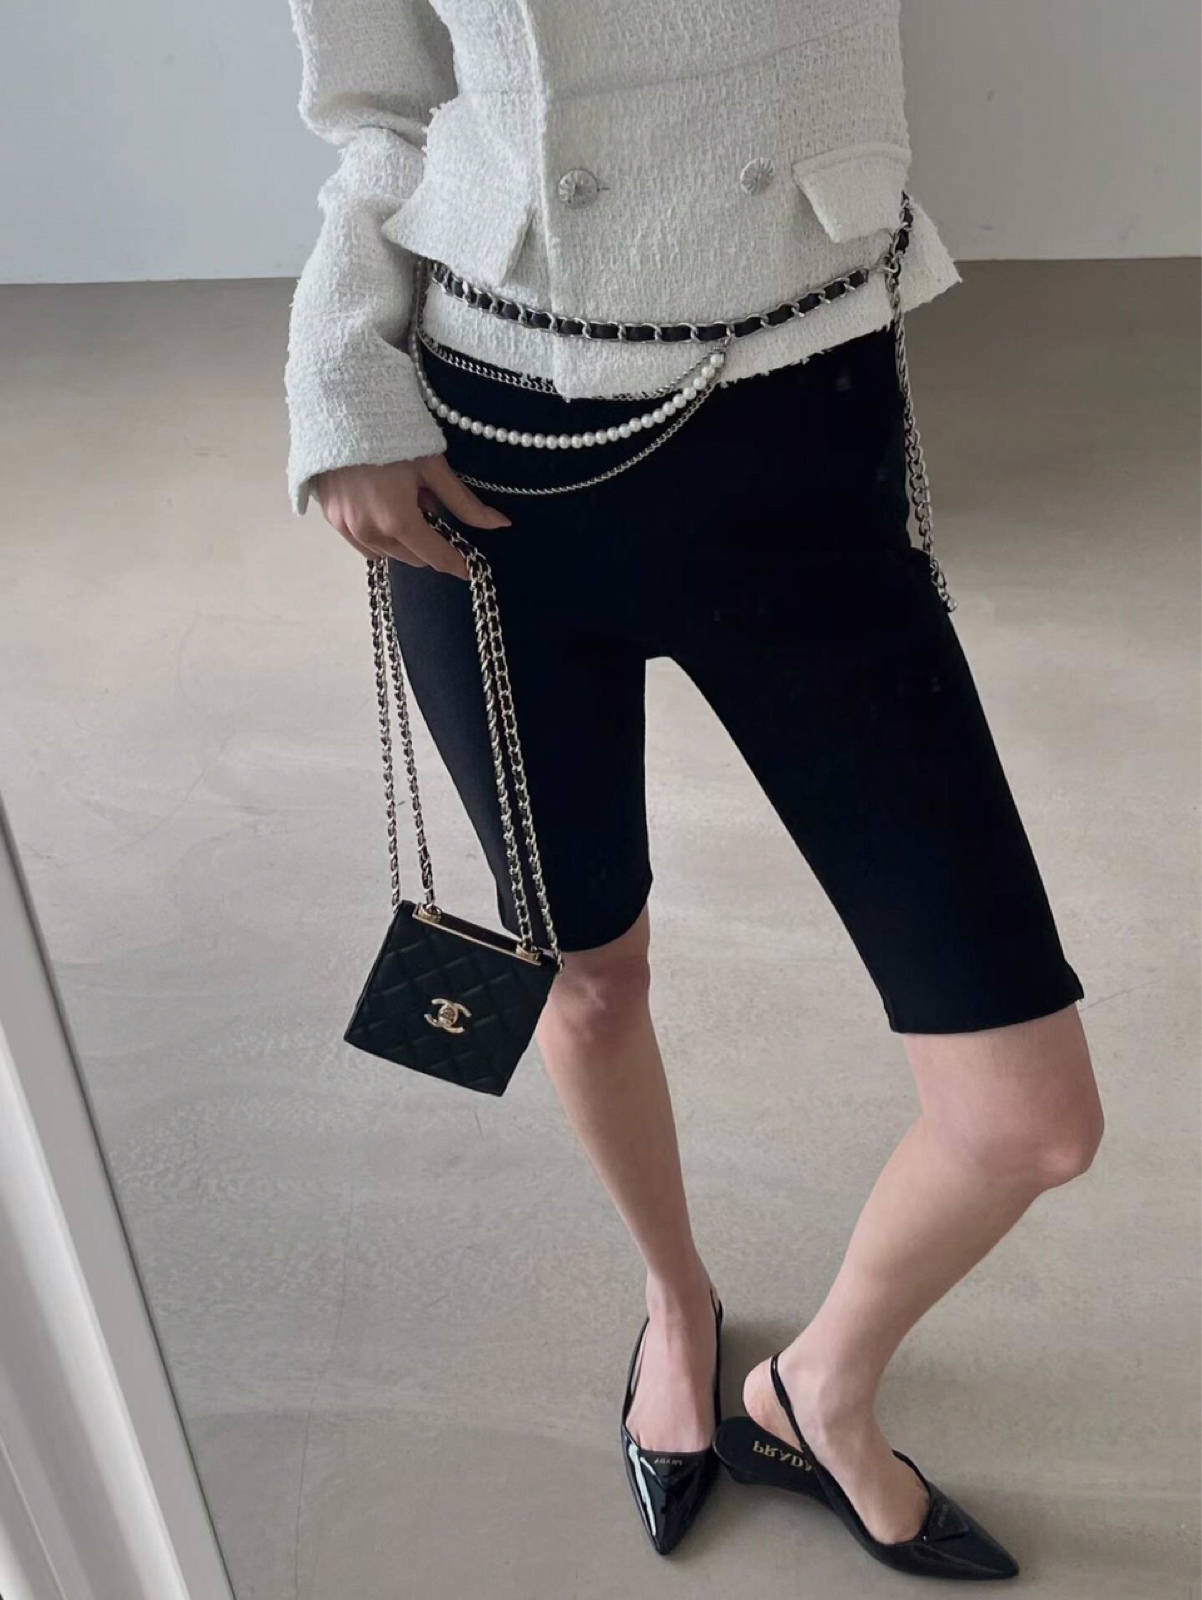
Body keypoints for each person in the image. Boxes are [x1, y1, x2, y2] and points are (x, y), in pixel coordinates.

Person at [283, 0, 1103, 1577]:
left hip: (804, 437)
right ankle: (674, 1303)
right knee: (589, 974)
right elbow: (376, 114)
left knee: (1028, 1118)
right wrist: (339, 377)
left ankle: (812, 1391)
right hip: (491, 466)